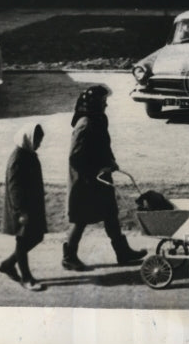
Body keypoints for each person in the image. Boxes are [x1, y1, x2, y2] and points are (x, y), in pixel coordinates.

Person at [62, 85, 147, 271]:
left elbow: (104, 145)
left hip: (101, 176)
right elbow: (75, 157)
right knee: (80, 218)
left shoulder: (99, 119)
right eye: (102, 102)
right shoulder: (84, 124)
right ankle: (69, 257)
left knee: (110, 213)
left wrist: (111, 161)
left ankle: (122, 252)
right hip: (84, 179)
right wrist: (98, 168)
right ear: (93, 104)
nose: (106, 105)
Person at [0, 123, 48, 291]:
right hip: (22, 207)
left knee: (37, 236)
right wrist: (21, 211)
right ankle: (26, 278)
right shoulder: (18, 158)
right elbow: (15, 188)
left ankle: (8, 264)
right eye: (37, 141)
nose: (39, 144)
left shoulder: (28, 154)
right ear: (28, 139)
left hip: (31, 205)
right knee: (23, 239)